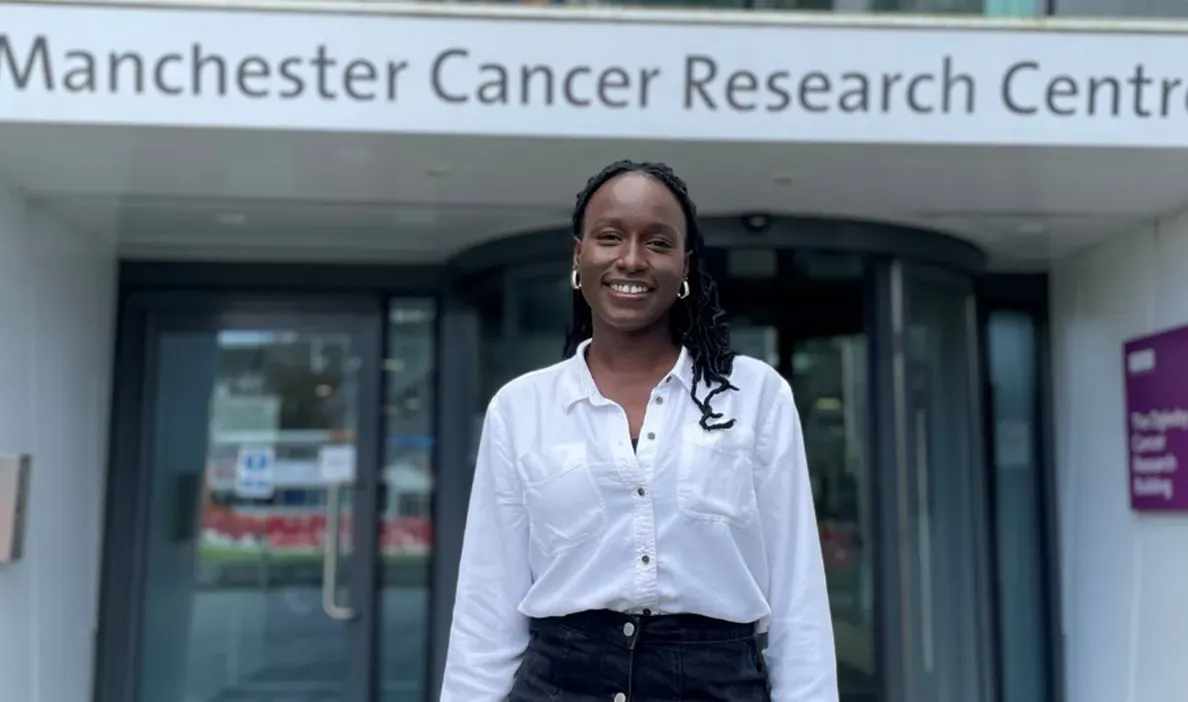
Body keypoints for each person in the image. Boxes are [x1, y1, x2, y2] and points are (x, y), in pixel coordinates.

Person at [440, 160, 837, 702]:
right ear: (579, 255)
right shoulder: (520, 408)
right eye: (609, 237)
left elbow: (799, 596)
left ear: (685, 265)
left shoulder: (756, 395)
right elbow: (486, 605)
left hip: (717, 685)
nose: (631, 258)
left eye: (657, 242)